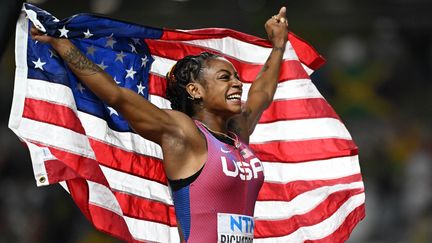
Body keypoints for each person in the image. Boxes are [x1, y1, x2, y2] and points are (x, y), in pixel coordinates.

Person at [31, 6, 288, 242]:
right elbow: (116, 95)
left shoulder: (238, 134)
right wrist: (62, 45)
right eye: (225, 77)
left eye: (235, 76)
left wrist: (278, 45)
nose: (237, 83)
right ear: (195, 90)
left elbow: (261, 94)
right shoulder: (183, 133)